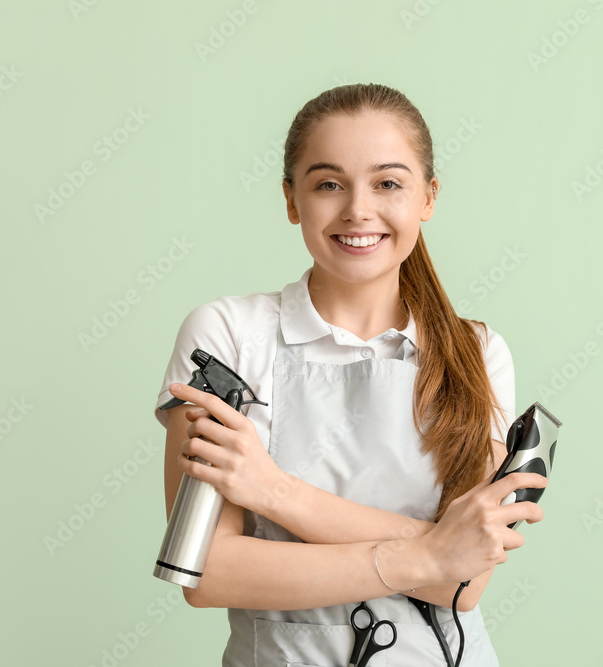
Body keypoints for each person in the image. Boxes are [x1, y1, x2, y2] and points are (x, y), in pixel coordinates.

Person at [155, 82, 546, 666]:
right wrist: (429, 555)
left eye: (388, 182)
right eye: (328, 184)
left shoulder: (477, 352)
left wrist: (276, 492)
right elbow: (206, 570)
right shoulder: (226, 338)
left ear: (428, 197)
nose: (358, 209)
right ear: (292, 200)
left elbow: (465, 586)